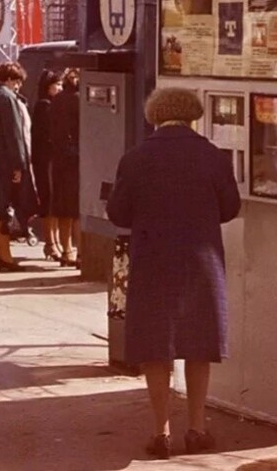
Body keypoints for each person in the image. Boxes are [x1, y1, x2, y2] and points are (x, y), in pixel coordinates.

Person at [106, 87, 241, 460]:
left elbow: (118, 213)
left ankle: (161, 430)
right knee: (199, 343)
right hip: (201, 261)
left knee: (155, 346)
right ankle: (196, 428)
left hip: (153, 260)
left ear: (154, 115)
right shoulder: (212, 156)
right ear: (193, 115)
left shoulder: (135, 158)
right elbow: (230, 207)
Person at [0, 62, 37, 271]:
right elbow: (14, 136)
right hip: (4, 162)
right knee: (4, 210)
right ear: (11, 79)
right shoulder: (7, 99)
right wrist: (19, 166)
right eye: (18, 81)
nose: (18, 86)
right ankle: (6, 257)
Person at [49, 68, 81, 266]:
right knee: (77, 208)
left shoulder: (57, 100)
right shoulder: (79, 100)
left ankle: (66, 250)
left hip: (59, 156)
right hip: (76, 156)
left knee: (63, 208)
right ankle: (80, 252)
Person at [31, 69, 64, 261]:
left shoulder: (50, 105)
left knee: (54, 202)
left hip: (48, 159)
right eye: (56, 85)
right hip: (46, 160)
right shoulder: (44, 106)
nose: (59, 88)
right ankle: (50, 242)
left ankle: (56, 241)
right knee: (49, 201)